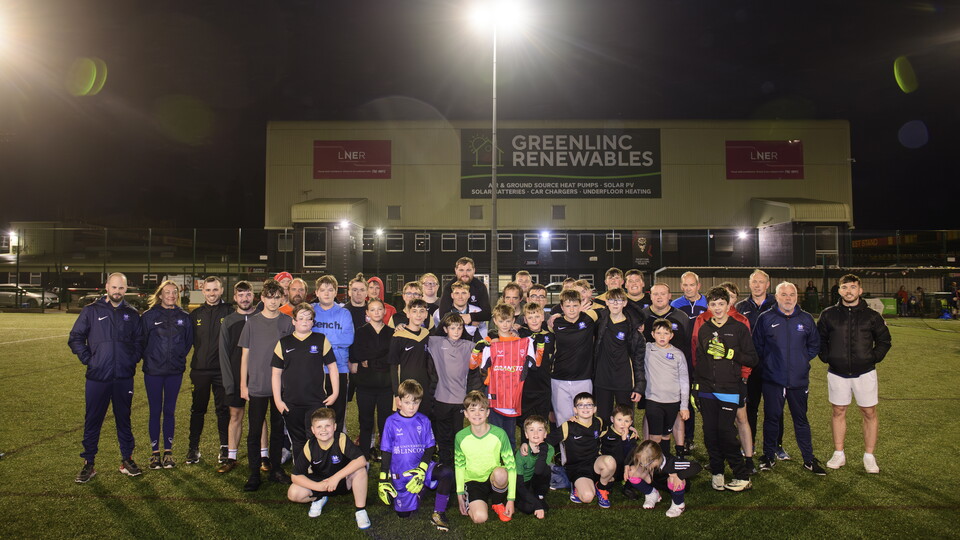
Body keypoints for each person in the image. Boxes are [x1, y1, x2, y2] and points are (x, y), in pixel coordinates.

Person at [69, 272, 143, 483]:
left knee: (124, 420)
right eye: (114, 287)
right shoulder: (91, 310)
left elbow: (140, 341)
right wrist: (89, 359)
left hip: (123, 377)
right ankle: (88, 464)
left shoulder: (132, 313)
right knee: (93, 420)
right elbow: (75, 337)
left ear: (126, 289)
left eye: (121, 288)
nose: (117, 291)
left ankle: (127, 460)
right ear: (107, 287)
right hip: (97, 377)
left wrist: (131, 359)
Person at [817, 274, 892, 474]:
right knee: (838, 410)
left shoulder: (872, 316)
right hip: (837, 372)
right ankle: (839, 453)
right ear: (839, 290)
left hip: (865, 373)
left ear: (860, 290)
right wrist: (827, 357)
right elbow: (820, 339)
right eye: (844, 287)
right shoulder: (828, 314)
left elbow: (884, 341)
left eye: (853, 287)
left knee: (869, 412)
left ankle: (869, 456)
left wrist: (872, 358)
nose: (848, 291)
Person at [753, 282, 825, 475]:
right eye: (783, 294)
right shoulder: (765, 318)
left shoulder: (806, 319)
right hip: (772, 380)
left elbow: (813, 346)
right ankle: (768, 456)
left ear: (797, 296)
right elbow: (757, 346)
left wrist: (800, 361)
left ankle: (809, 459)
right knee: (771, 419)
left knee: (801, 420)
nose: (788, 298)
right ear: (776, 297)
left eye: (792, 294)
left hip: (798, 380)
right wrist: (770, 363)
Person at [692, 286, 757, 492]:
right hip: (707, 388)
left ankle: (742, 475)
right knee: (710, 433)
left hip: (729, 388)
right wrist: (696, 387)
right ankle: (717, 472)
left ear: (729, 305)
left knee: (726, 433)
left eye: (721, 304)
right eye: (713, 304)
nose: (718, 308)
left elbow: (753, 359)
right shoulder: (704, 328)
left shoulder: (738, 328)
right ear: (708, 306)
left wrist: (730, 354)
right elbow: (699, 360)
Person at [239, 279, 294, 491]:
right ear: (262, 298)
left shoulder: (287, 322)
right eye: (269, 297)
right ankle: (254, 473)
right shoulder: (252, 323)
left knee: (278, 430)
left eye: (276, 297)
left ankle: (276, 469)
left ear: (282, 299)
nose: (272, 301)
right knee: (254, 431)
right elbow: (245, 355)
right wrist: (243, 385)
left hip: (279, 388)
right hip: (257, 386)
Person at [377, 379, 455, 531]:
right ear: (399, 401)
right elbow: (386, 451)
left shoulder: (423, 420)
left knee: (447, 473)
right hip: (402, 473)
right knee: (404, 515)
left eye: (416, 402)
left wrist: (422, 469)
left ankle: (438, 513)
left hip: (422, 469)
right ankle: (423, 489)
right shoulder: (391, 422)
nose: (412, 407)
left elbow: (430, 447)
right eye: (407, 402)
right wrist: (382, 479)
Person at [272, 303, 339, 465]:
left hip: (315, 401)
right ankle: (301, 471)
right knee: (298, 440)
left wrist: (335, 393)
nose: (304, 321)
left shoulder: (320, 340)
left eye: (309, 319)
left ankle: (318, 470)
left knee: (315, 437)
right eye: (300, 318)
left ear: (313, 322)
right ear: (293, 321)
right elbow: (276, 373)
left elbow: (332, 367)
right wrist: (278, 400)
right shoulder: (283, 343)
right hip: (291, 402)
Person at [287, 408, 370, 530]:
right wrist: (319, 487)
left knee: (360, 470)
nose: (324, 430)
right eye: (319, 427)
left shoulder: (341, 438)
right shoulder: (310, 445)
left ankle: (360, 511)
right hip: (322, 483)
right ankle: (319, 498)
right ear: (313, 430)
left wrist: (335, 478)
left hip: (343, 481)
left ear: (334, 426)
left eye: (327, 425)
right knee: (293, 493)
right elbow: (295, 475)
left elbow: (361, 460)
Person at [140, 280, 193, 469]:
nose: (171, 295)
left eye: (174, 292)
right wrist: (152, 358)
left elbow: (187, 344)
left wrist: (177, 358)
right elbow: (142, 341)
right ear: (160, 295)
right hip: (153, 372)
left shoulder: (184, 318)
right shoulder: (148, 316)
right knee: (155, 411)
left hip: (174, 372)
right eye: (167, 292)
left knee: (169, 411)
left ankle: (168, 452)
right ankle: (155, 453)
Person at [471, 303, 540, 449]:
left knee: (510, 434)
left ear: (513, 321)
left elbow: (534, 364)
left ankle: (511, 466)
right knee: (495, 433)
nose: (505, 324)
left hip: (513, 393)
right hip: (494, 390)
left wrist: (539, 347)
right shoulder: (489, 341)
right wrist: (477, 350)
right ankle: (495, 465)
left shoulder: (519, 342)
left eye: (508, 321)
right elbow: (474, 365)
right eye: (501, 321)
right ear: (495, 321)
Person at [735, 269, 784, 459]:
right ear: (749, 284)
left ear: (768, 285)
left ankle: (776, 446)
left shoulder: (777, 304)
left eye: (761, 282)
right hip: (750, 367)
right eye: (754, 282)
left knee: (775, 408)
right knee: (751, 408)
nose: (757, 285)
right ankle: (750, 443)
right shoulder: (741, 306)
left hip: (773, 366)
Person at [640, 283, 693, 454]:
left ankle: (676, 453)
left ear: (670, 295)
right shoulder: (644, 320)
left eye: (663, 293)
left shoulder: (681, 317)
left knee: (666, 434)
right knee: (653, 427)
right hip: (653, 393)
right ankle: (648, 457)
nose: (659, 297)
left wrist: (684, 403)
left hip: (673, 393)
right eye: (656, 294)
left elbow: (684, 375)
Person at [217, 280, 264, 474]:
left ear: (253, 296)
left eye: (248, 294)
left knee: (259, 418)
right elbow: (224, 355)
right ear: (235, 298)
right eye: (240, 295)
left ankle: (264, 456)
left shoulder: (261, 318)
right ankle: (231, 457)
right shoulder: (228, 321)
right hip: (236, 380)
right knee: (235, 415)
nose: (244, 298)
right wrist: (230, 383)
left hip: (258, 378)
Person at [186, 276, 233, 466]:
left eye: (215, 290)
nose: (212, 293)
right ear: (203, 291)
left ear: (221, 290)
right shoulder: (195, 315)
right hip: (200, 371)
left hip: (222, 371)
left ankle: (224, 447)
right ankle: (193, 448)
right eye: (208, 290)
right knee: (198, 410)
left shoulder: (230, 312)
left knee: (223, 410)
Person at [542, 392, 617, 508]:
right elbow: (548, 440)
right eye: (581, 405)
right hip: (577, 468)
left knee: (610, 462)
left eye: (589, 405)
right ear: (575, 409)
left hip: (595, 464)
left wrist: (628, 428)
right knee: (587, 497)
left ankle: (601, 488)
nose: (585, 408)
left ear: (594, 409)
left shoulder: (599, 422)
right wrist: (531, 444)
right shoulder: (568, 426)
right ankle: (575, 484)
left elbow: (612, 428)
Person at [455, 391, 517, 523]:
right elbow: (459, 466)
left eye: (481, 409)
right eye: (472, 410)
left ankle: (498, 502)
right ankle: (474, 501)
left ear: (487, 413)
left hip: (492, 478)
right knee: (480, 518)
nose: (477, 414)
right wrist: (460, 493)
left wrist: (511, 500)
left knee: (501, 473)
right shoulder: (460, 437)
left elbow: (511, 467)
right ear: (466, 414)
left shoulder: (499, 434)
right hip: (473, 481)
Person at [427, 313, 475, 468]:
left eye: (459, 327)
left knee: (458, 435)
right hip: (441, 398)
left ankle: (458, 466)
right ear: (445, 329)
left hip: (460, 400)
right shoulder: (435, 342)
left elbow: (488, 345)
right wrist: (400, 326)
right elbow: (415, 334)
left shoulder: (469, 345)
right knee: (443, 435)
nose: (456, 331)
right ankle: (444, 464)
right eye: (452, 328)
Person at [349, 298, 394, 461]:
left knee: (385, 421)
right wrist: (377, 357)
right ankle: (365, 453)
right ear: (367, 313)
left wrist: (371, 359)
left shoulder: (391, 332)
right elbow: (358, 353)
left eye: (379, 309)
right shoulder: (361, 332)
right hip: (365, 385)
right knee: (365, 420)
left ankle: (385, 453)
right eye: (372, 310)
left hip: (385, 386)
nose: (376, 312)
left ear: (384, 311)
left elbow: (390, 356)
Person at [592, 287, 645, 422]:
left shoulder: (632, 329)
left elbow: (638, 361)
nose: (615, 304)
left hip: (623, 380)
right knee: (603, 419)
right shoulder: (599, 321)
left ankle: (626, 443)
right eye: (611, 300)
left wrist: (639, 387)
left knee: (625, 419)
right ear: (606, 302)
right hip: (602, 379)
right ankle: (605, 443)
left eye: (619, 300)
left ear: (625, 303)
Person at [549, 289, 599, 430]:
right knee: (563, 422)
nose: (572, 309)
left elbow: (607, 307)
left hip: (583, 379)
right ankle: (565, 453)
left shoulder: (588, 319)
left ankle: (586, 451)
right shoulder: (556, 322)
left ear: (580, 305)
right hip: (559, 380)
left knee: (585, 420)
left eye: (575, 305)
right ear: (562, 307)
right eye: (568, 306)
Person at [312, 275, 355, 431]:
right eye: (323, 290)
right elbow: (307, 338)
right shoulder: (311, 311)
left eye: (330, 290)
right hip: (315, 370)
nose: (326, 293)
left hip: (339, 368)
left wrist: (321, 340)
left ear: (336, 292)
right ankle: (319, 451)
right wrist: (332, 342)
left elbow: (348, 338)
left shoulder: (344, 313)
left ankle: (337, 449)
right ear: (316, 292)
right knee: (317, 413)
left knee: (337, 413)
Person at [643, 318, 689, 459]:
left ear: (671, 335)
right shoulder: (647, 349)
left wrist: (684, 405)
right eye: (659, 333)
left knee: (665, 435)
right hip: (654, 400)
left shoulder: (678, 354)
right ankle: (651, 465)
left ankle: (664, 465)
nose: (662, 336)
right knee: (655, 437)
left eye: (666, 333)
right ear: (652, 334)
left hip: (673, 402)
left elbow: (684, 380)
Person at [624, 440, 702, 518]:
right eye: (641, 462)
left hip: (674, 484)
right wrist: (626, 465)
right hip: (655, 480)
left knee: (673, 477)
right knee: (631, 471)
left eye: (645, 463)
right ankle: (652, 494)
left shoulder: (671, 463)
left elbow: (696, 466)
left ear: (656, 460)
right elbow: (634, 449)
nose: (642, 465)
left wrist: (679, 476)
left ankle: (678, 504)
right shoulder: (646, 453)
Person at [516, 302, 554, 443]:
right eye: (530, 317)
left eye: (537, 316)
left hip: (543, 387)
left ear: (543, 317)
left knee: (541, 425)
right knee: (526, 424)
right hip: (525, 387)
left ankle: (540, 457)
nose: (534, 320)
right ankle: (525, 455)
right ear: (525, 319)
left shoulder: (550, 336)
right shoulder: (520, 334)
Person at [389, 299, 435, 414]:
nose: (418, 314)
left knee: (423, 420)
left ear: (426, 315)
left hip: (424, 387)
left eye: (422, 311)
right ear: (408, 314)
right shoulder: (398, 336)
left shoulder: (427, 335)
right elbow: (393, 367)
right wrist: (396, 394)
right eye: (414, 311)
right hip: (405, 388)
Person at [513, 415, 553, 518]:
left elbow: (539, 470)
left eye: (540, 430)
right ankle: (527, 500)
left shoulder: (549, 449)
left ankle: (540, 495)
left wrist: (543, 449)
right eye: (531, 430)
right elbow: (519, 484)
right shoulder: (521, 454)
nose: (535, 433)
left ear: (545, 434)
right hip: (523, 483)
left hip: (536, 480)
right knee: (528, 508)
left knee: (546, 469)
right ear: (526, 434)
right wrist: (537, 505)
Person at [599, 403, 640, 497]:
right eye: (619, 420)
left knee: (636, 464)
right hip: (610, 467)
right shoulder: (605, 432)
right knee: (608, 478)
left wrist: (625, 439)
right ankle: (605, 484)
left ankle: (627, 487)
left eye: (626, 421)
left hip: (625, 466)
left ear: (631, 422)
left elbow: (630, 454)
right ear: (612, 419)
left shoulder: (632, 435)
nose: (623, 424)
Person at [437, 257, 492, 326]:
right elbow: (443, 315)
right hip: (454, 328)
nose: (465, 273)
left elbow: (487, 314)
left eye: (468, 270)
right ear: (456, 271)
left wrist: (471, 316)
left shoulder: (480, 287)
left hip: (476, 329)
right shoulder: (449, 287)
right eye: (461, 270)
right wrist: (469, 322)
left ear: (474, 270)